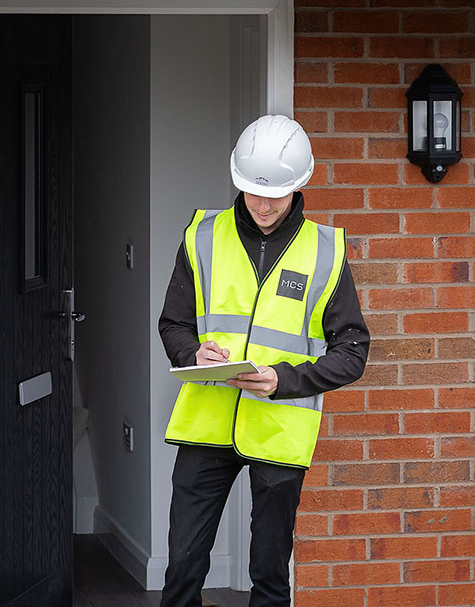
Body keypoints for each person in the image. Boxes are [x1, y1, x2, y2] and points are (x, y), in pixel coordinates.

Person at [157, 114, 370, 607]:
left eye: (275, 193)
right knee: (182, 566)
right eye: (253, 191)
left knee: (269, 576)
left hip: (279, 431)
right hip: (205, 424)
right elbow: (173, 324)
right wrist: (193, 352)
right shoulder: (202, 237)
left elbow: (352, 352)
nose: (263, 204)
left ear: (299, 186)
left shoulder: (326, 252)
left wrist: (286, 380)